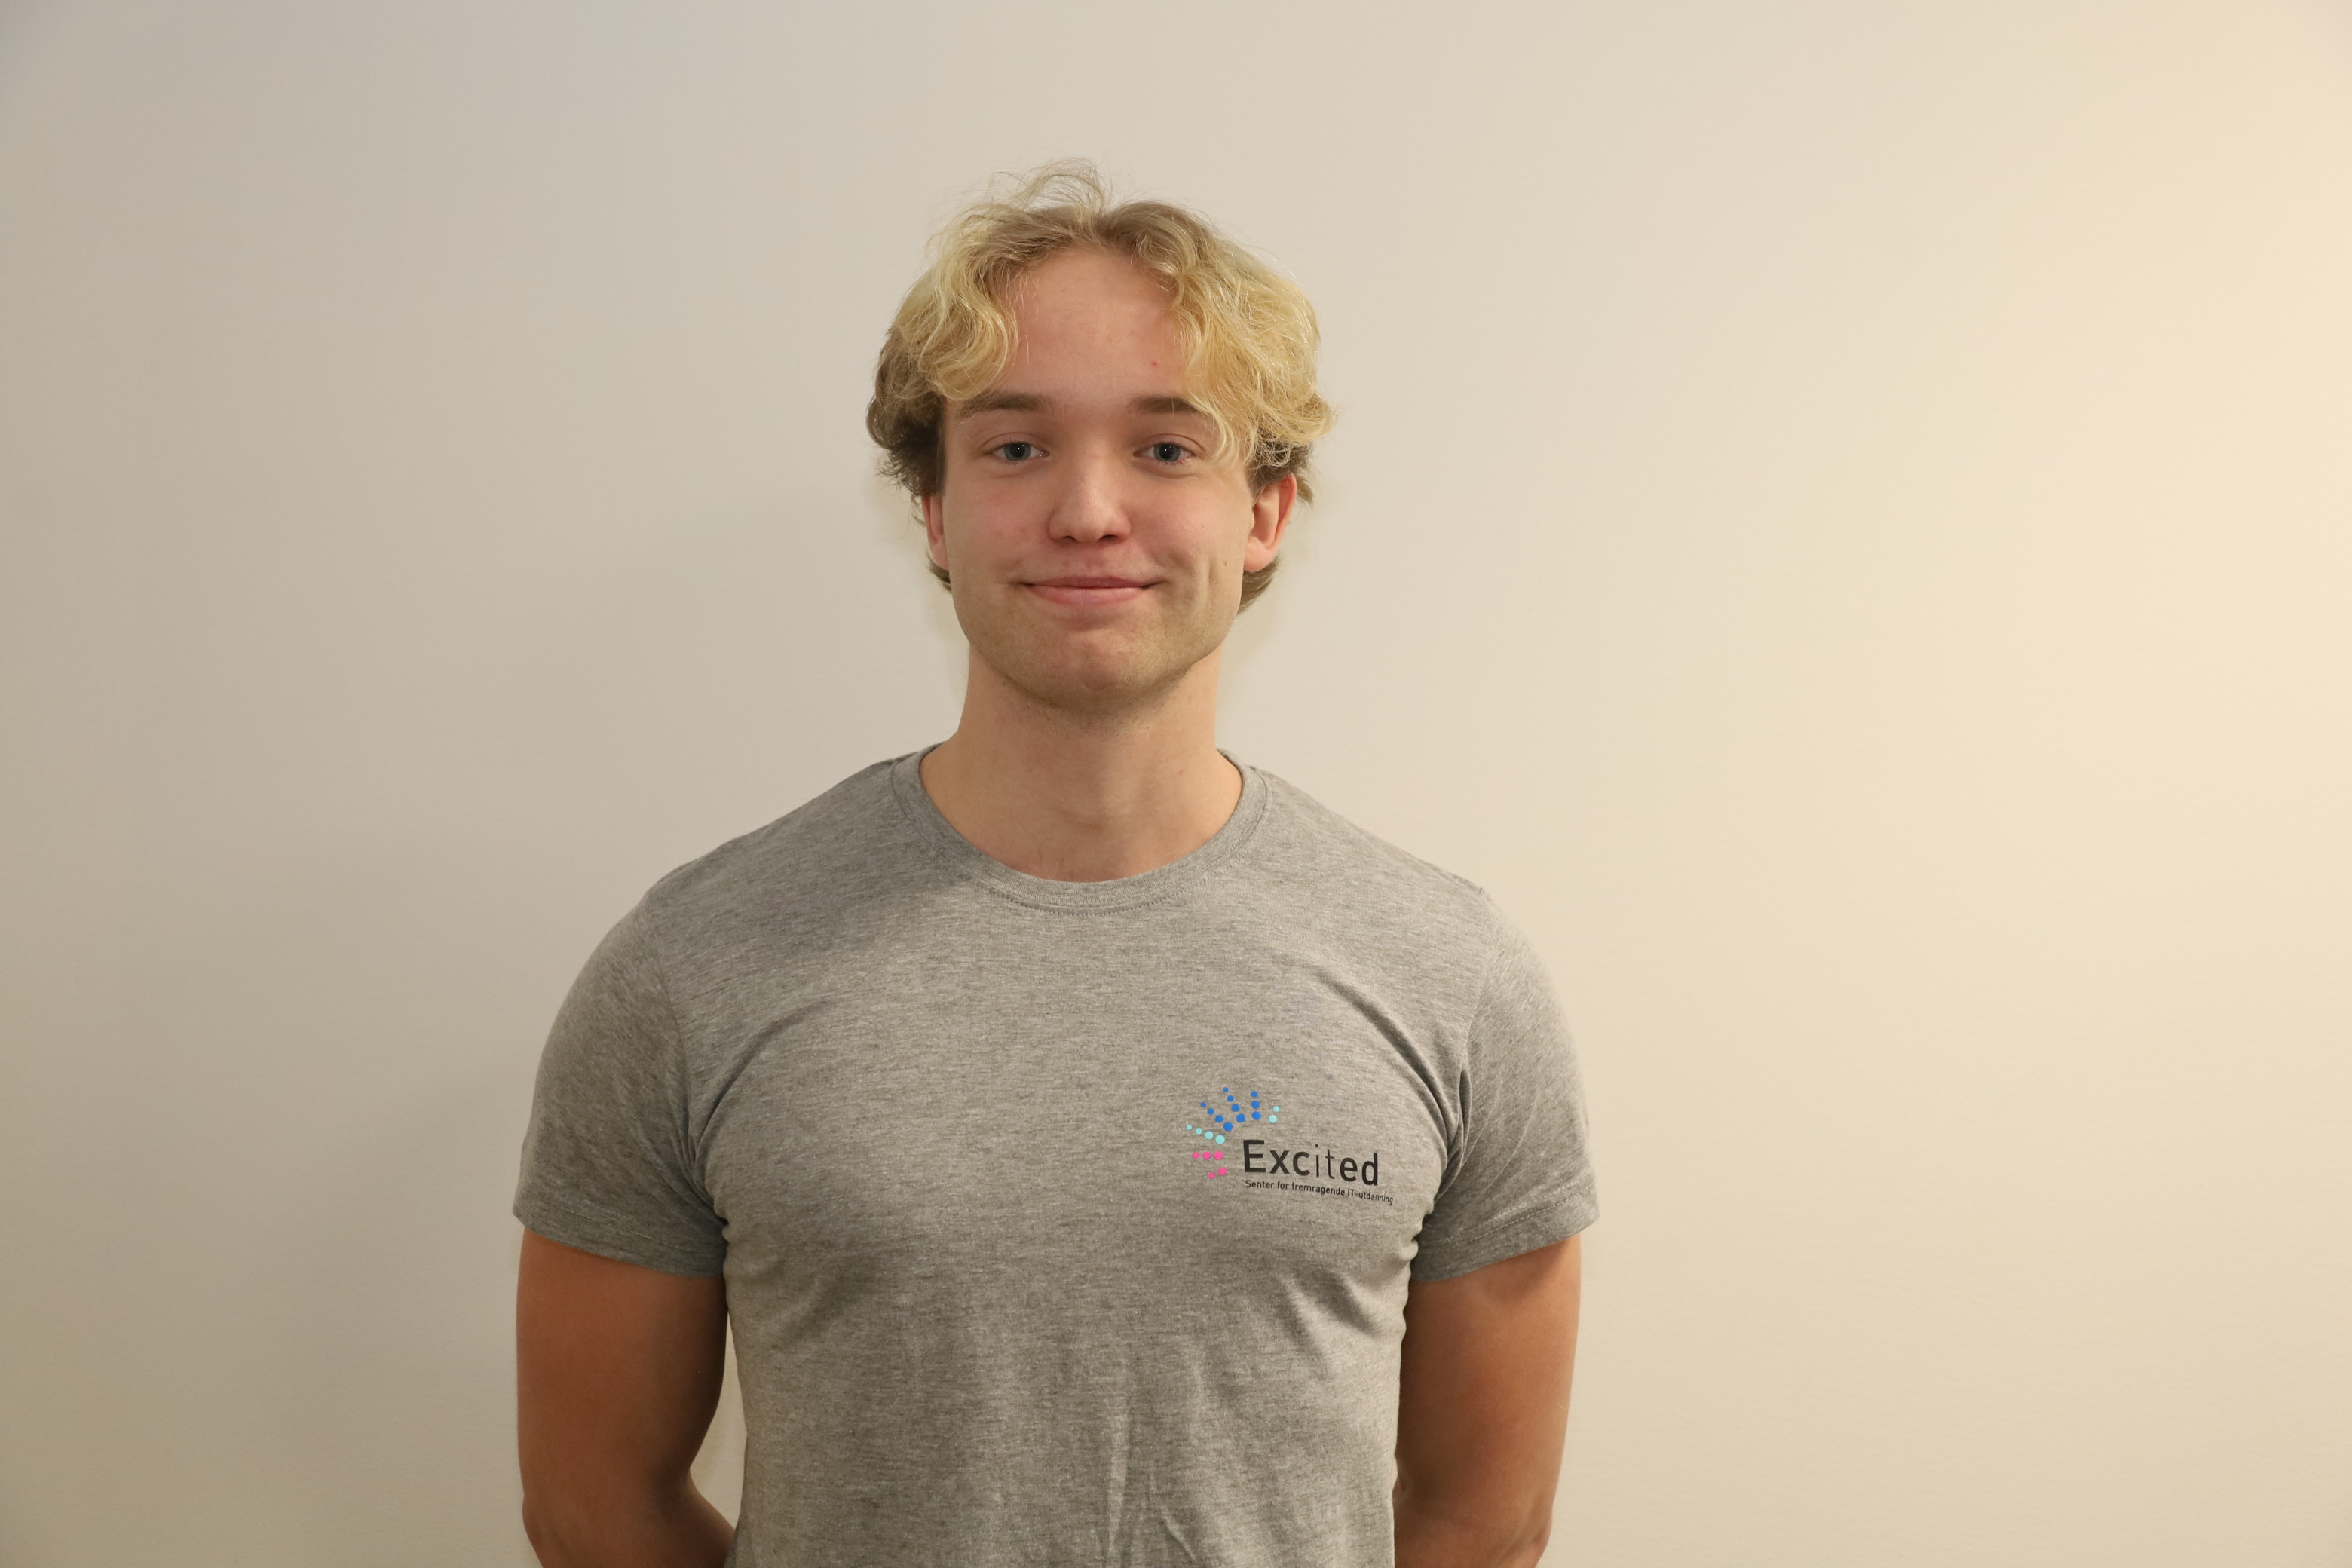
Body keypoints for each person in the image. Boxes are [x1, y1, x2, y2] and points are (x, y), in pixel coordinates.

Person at [513, 161, 1597, 1568]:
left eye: (1168, 448)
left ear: (1266, 511)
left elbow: (1481, 1522)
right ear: (934, 510)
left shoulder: (1451, 975)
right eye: (1017, 447)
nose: (1088, 510)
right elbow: (595, 1511)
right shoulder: (694, 966)